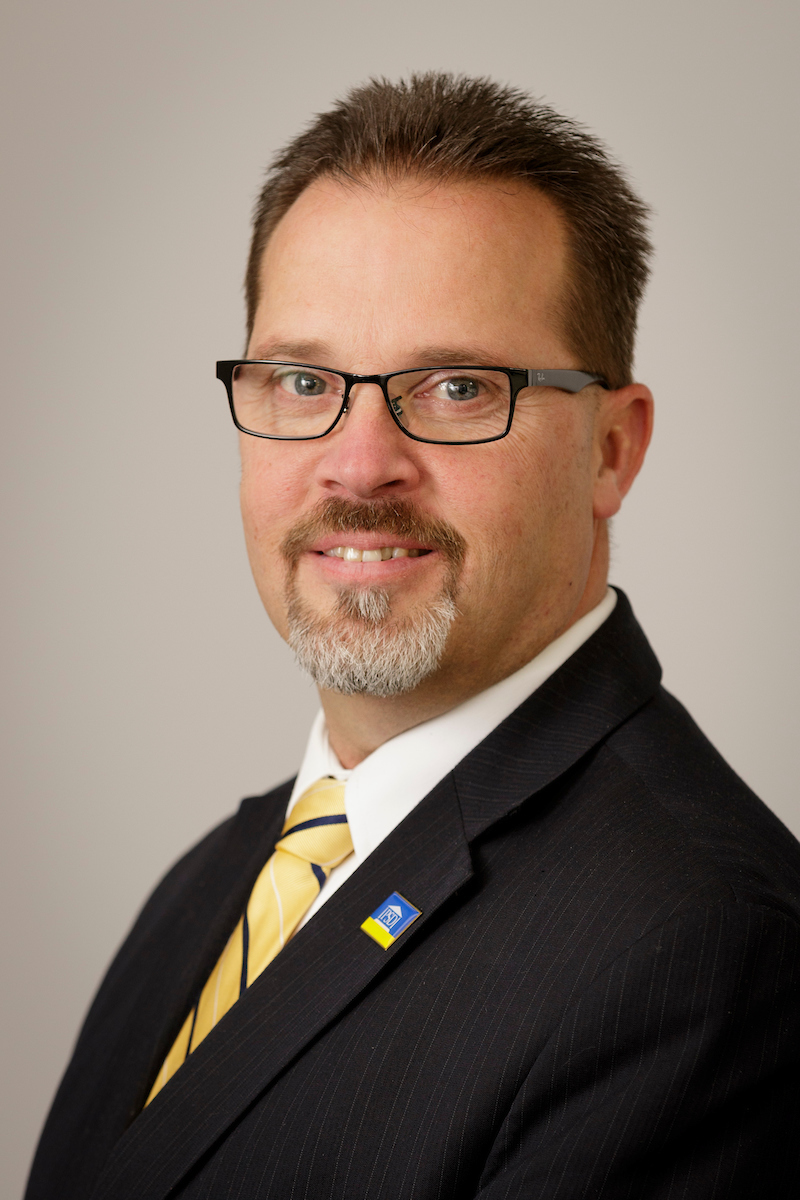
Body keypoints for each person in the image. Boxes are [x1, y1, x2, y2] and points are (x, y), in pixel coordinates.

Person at [26, 73, 800, 1200]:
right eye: (302, 380)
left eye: (452, 387)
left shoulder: (702, 957)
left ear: (609, 450)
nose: (357, 463)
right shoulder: (212, 884)